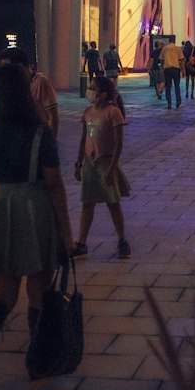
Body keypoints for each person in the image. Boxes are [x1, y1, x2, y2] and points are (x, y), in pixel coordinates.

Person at [0, 62, 73, 390]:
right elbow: (54, 185)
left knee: (2, 296)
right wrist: (67, 235)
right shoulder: (40, 133)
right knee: (39, 291)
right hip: (35, 209)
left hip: (2, 208)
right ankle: (36, 361)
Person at [73, 75, 131, 258]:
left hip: (106, 162)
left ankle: (122, 240)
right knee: (87, 203)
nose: (90, 91)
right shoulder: (88, 112)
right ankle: (81, 242)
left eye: (93, 88)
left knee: (113, 203)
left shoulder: (113, 112)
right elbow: (85, 138)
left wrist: (112, 167)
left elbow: (118, 143)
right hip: (90, 163)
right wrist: (78, 163)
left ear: (104, 93)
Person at [0, 46, 59, 139]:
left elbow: (53, 116)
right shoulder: (12, 83)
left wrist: (50, 140)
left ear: (20, 66)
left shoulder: (40, 82)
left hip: (37, 136)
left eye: (8, 68)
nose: (6, 72)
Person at [160, 36, 184, 109]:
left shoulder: (165, 48)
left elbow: (161, 59)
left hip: (167, 69)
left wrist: (162, 68)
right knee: (177, 86)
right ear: (174, 40)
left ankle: (169, 103)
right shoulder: (178, 48)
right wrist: (183, 71)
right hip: (176, 69)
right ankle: (178, 102)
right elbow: (181, 60)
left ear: (169, 40)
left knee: (168, 87)